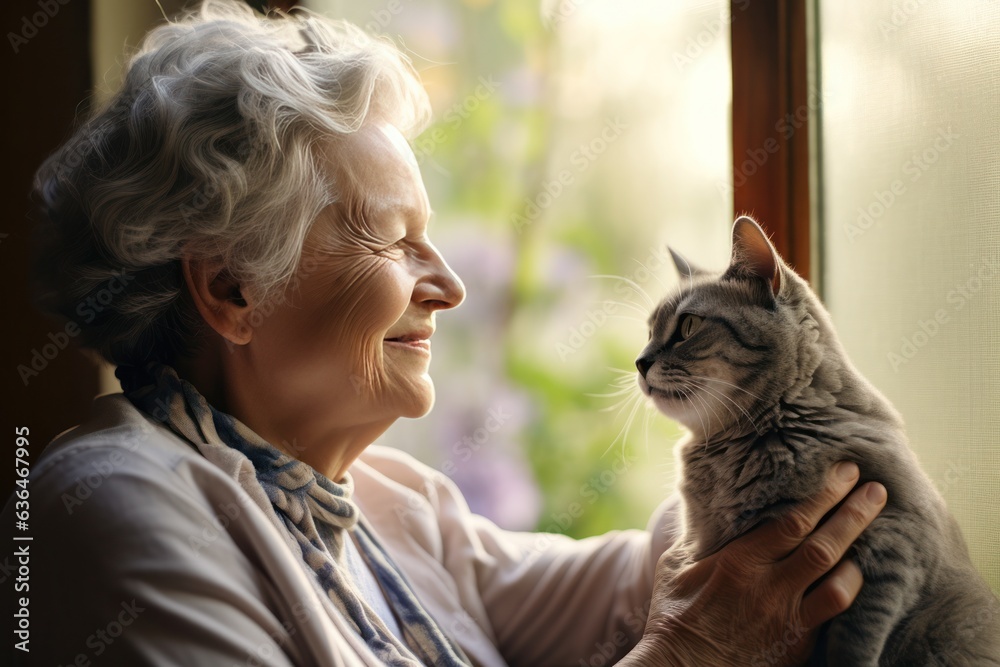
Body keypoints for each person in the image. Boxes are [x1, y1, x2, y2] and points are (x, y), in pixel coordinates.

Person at [2, 2, 886, 665]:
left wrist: (785, 401)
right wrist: (688, 653)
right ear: (234, 287)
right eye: (392, 239)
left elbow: (655, 575)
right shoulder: (106, 505)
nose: (451, 286)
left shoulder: (387, 503)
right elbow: (693, 622)